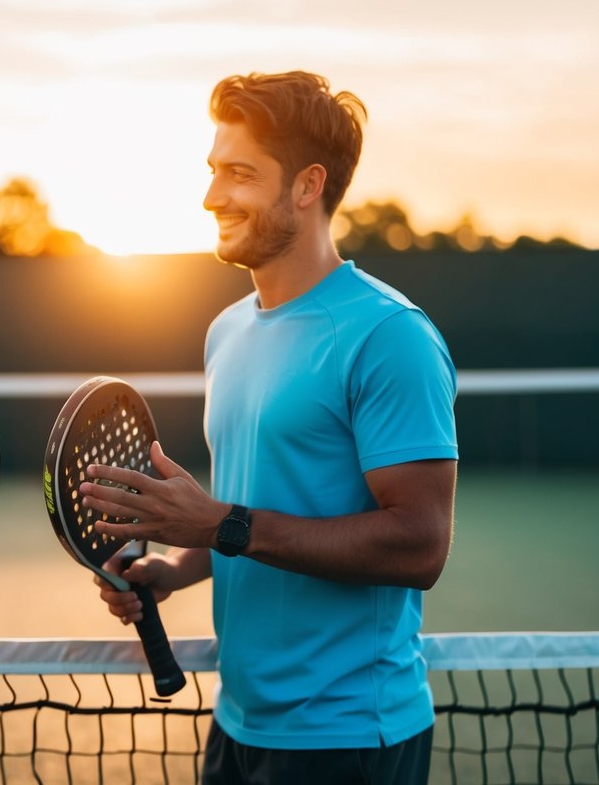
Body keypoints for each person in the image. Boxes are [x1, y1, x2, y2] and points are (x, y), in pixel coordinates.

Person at [81, 71, 457, 784]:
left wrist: (219, 525)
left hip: (349, 736)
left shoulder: (389, 335)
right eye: (212, 170)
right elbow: (259, 505)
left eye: (238, 173)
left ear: (307, 186)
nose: (211, 195)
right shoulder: (226, 331)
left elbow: (419, 547)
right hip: (238, 722)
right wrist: (178, 569)